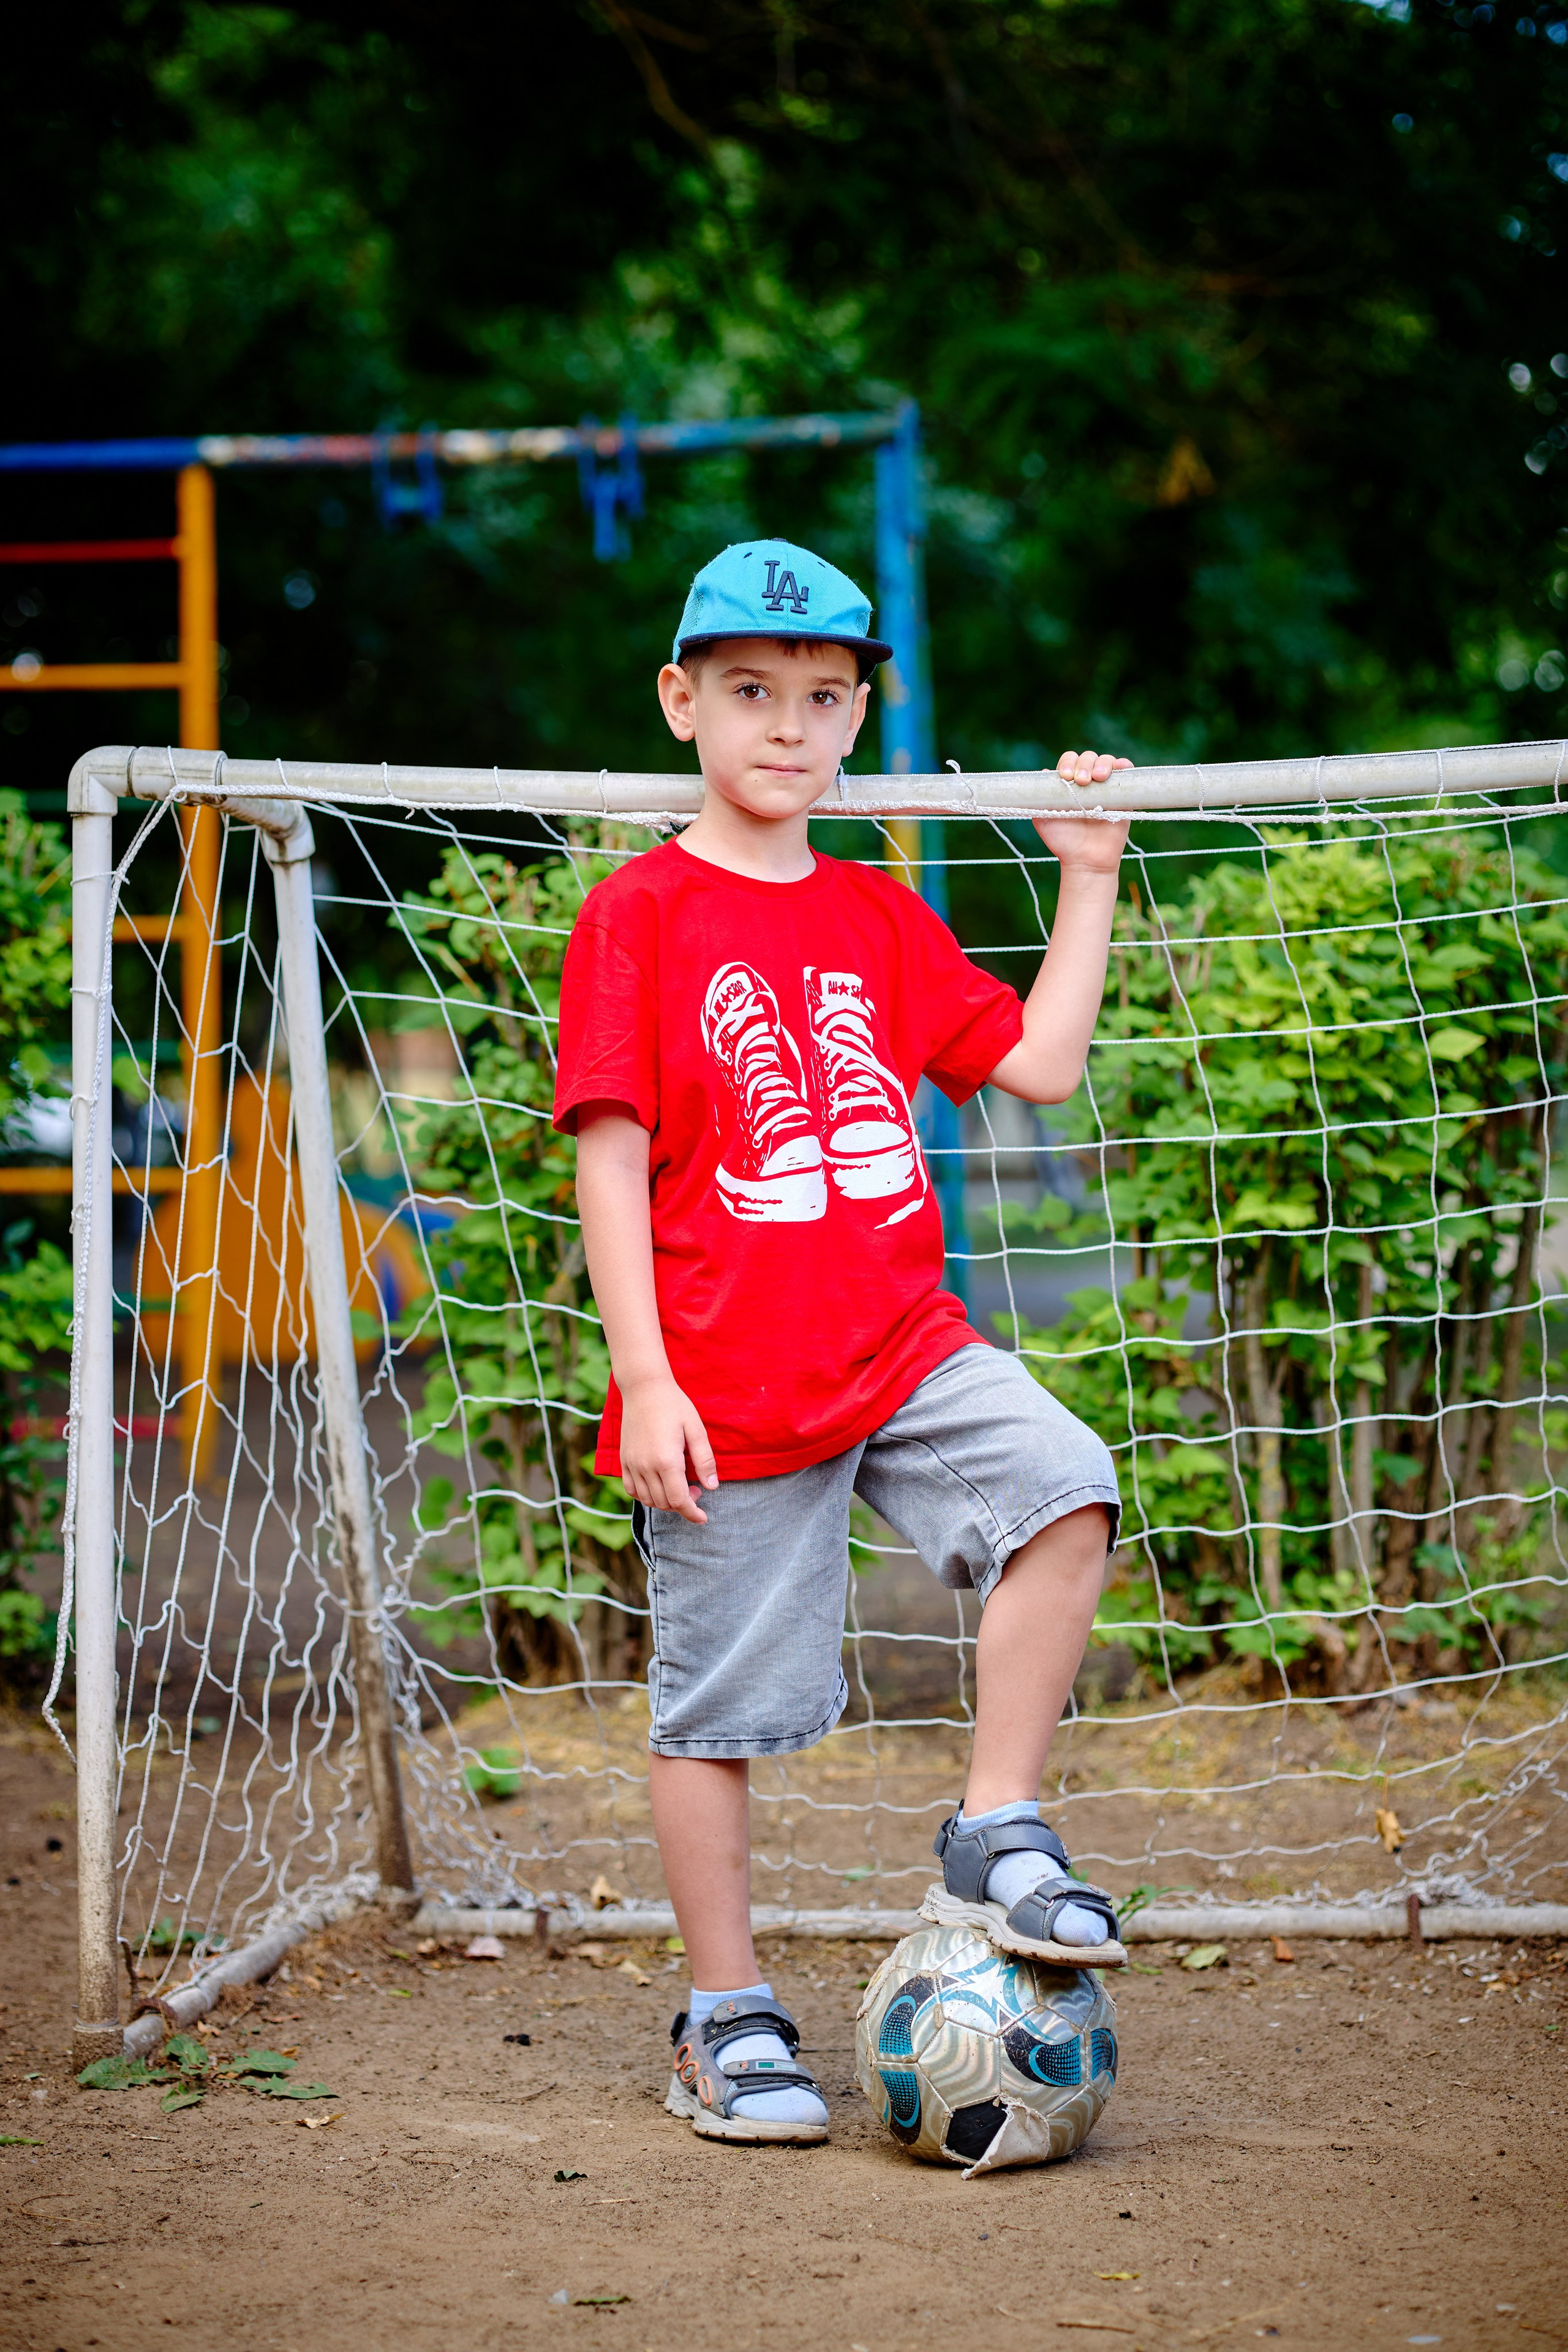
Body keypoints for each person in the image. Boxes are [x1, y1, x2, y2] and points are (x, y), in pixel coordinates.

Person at [553, 537, 1133, 2146]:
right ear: (682, 703)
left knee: (1066, 1484)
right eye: (750, 693)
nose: (787, 727)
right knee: (717, 1710)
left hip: (903, 1347)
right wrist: (650, 1375)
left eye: (823, 697)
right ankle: (726, 2012)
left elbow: (1037, 1062)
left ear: (859, 716)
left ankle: (994, 1823)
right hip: (728, 1384)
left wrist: (1085, 869)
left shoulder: (877, 913)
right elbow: (607, 1153)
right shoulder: (641, 913)